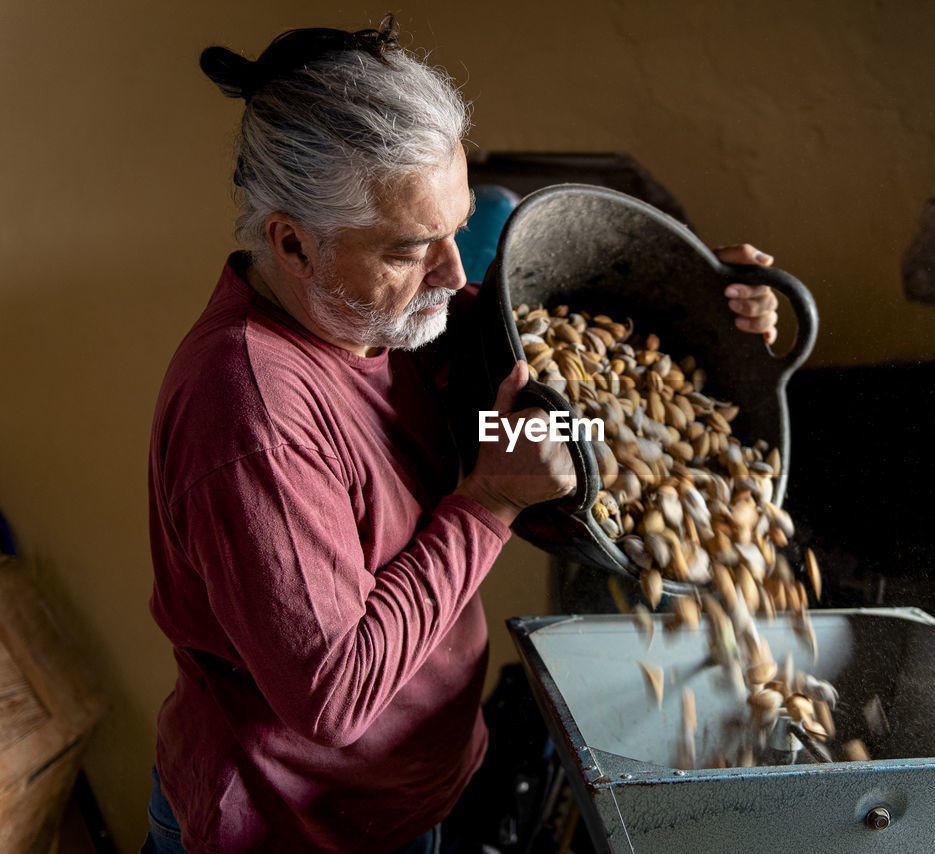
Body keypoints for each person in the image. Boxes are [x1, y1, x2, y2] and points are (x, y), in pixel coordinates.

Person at [145, 18, 781, 854]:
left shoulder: (384, 323)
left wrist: (710, 315)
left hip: (408, 791)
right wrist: (489, 503)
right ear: (292, 242)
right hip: (299, 825)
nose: (452, 273)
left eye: (456, 225)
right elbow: (332, 697)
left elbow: (465, 441)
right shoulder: (252, 413)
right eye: (411, 248)